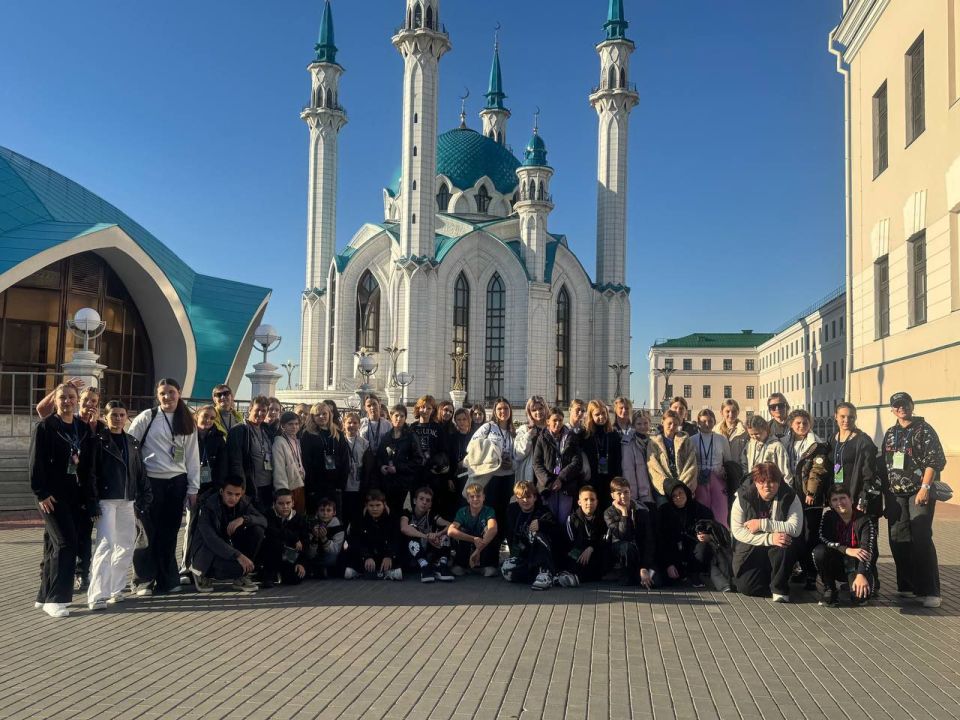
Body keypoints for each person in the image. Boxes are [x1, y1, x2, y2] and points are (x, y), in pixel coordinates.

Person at [128, 378, 200, 596]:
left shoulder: (187, 421)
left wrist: (193, 488)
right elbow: (130, 448)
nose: (167, 397)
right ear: (157, 396)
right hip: (150, 482)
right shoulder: (147, 417)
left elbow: (192, 456)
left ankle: (168, 579)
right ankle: (144, 580)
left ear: (179, 393)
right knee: (147, 532)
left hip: (176, 483)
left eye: (171, 392)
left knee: (169, 533)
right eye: (163, 393)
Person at [30, 383, 96, 617]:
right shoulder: (46, 427)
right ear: (55, 401)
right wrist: (41, 493)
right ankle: (56, 599)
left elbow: (87, 464)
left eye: (71, 397)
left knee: (52, 545)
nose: (67, 401)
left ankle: (44, 594)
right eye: (62, 397)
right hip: (51, 496)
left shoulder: (81, 427)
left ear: (77, 400)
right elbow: (36, 463)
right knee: (66, 543)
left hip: (74, 495)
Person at [882, 392, 947, 608]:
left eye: (905, 404)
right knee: (898, 538)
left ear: (912, 405)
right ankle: (907, 586)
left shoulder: (924, 429)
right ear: (892, 409)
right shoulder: (890, 433)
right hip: (895, 493)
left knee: (920, 536)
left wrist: (925, 487)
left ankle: (929, 590)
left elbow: (934, 460)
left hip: (919, 491)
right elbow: (885, 463)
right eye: (897, 405)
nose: (902, 408)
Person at [86, 401, 152, 610]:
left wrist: (144, 495)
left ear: (127, 418)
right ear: (106, 417)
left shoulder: (132, 442)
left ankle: (116, 589)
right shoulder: (97, 441)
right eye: (114, 414)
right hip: (106, 500)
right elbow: (90, 474)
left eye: (122, 415)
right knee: (105, 545)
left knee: (125, 545)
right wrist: (92, 503)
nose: (118, 418)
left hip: (127, 500)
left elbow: (140, 471)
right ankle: (97, 595)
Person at [730, 463, 802, 602]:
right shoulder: (742, 497)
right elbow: (738, 531)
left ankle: (780, 589)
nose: (767, 486)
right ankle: (771, 579)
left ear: (779, 482)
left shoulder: (791, 496)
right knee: (747, 588)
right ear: (756, 482)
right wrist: (769, 538)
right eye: (762, 482)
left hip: (779, 546)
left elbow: (795, 528)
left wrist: (762, 524)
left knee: (786, 539)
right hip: (752, 548)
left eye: (772, 482)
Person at [189, 477, 264, 593]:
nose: (233, 498)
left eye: (237, 495)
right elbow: (211, 540)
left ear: (242, 494)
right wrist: (238, 556)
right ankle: (201, 573)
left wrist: (244, 519)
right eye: (229, 493)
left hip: (226, 551)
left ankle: (240, 577)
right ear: (221, 491)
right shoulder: (207, 506)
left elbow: (263, 520)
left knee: (257, 530)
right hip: (206, 553)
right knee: (239, 568)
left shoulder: (243, 502)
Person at [180, 404, 226, 582]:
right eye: (205, 416)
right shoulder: (186, 435)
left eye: (211, 418)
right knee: (190, 528)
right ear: (196, 416)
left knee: (207, 529)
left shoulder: (218, 438)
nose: (207, 420)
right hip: (191, 488)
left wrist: (218, 488)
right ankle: (185, 568)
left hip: (210, 490)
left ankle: (202, 567)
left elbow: (222, 466)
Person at [786, 409, 832, 590]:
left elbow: (817, 470)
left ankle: (812, 575)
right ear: (791, 424)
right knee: (796, 533)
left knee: (809, 535)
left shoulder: (817, 445)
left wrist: (811, 493)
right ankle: (801, 570)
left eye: (805, 423)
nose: (801, 426)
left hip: (810, 498)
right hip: (792, 494)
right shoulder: (786, 442)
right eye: (798, 423)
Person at [657, 480, 732, 591]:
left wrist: (708, 537)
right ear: (669, 498)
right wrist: (668, 564)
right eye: (674, 496)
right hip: (673, 554)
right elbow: (661, 540)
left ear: (686, 492)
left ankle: (698, 574)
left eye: (681, 493)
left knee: (704, 548)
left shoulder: (699, 509)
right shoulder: (664, 512)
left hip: (695, 552)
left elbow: (714, 529)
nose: (679, 497)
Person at [814, 485, 877, 607]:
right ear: (831, 504)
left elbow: (867, 549)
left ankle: (861, 580)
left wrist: (861, 575)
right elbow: (823, 538)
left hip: (855, 565)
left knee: (860, 599)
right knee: (819, 552)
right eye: (835, 500)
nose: (839, 502)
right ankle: (830, 588)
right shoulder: (828, 516)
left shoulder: (864, 520)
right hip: (836, 561)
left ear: (851, 499)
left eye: (843, 498)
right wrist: (846, 549)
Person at [500, 481, 567, 590]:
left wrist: (542, 524)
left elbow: (558, 533)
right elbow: (510, 534)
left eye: (528, 497)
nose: (525, 500)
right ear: (516, 498)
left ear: (535, 497)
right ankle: (550, 577)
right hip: (524, 555)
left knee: (537, 534)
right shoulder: (512, 510)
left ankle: (545, 572)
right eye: (521, 497)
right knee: (506, 570)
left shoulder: (543, 510)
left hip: (543, 555)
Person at [470, 397, 516, 530]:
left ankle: (500, 541)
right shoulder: (488, 427)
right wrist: (493, 458)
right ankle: (488, 541)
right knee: (490, 510)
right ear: (495, 411)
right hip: (491, 477)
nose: (503, 411)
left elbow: (517, 454)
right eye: (499, 408)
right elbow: (473, 445)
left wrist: (510, 462)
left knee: (504, 511)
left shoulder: (513, 431)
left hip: (508, 477)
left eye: (506, 408)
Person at [532, 407, 583, 525]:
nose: (558, 423)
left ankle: (564, 543)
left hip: (566, 486)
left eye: (560, 420)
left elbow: (577, 462)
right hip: (548, 488)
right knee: (550, 520)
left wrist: (561, 479)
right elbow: (537, 463)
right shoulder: (542, 438)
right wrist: (549, 482)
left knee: (564, 520)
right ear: (548, 421)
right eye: (554, 420)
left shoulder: (571, 437)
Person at [832, 402, 882, 517]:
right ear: (835, 416)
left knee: (858, 532)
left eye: (851, 417)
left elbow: (869, 472)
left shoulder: (863, 440)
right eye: (842, 416)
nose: (846, 420)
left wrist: (863, 496)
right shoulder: (832, 438)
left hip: (855, 495)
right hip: (838, 496)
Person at [604, 478, 655, 587]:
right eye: (619, 493)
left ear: (630, 492)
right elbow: (623, 536)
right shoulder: (608, 513)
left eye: (626, 492)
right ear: (612, 495)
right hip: (621, 548)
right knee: (627, 547)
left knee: (657, 581)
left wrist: (644, 567)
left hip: (640, 550)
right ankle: (627, 576)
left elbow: (648, 540)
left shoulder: (642, 510)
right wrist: (624, 513)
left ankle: (640, 574)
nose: (623, 496)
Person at [225, 396, 274, 511]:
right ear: (250, 409)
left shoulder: (266, 430)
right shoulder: (238, 430)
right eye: (257, 410)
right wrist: (241, 486)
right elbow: (235, 461)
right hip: (250, 486)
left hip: (268, 485)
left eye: (264, 411)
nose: (260, 413)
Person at [375, 404, 424, 516]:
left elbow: (419, 460)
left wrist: (398, 468)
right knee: (388, 512)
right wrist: (381, 466)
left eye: (402, 416)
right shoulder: (387, 437)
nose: (399, 419)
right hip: (387, 483)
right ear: (390, 417)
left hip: (404, 484)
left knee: (400, 513)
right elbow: (380, 457)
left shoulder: (411, 436)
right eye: (396, 415)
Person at [301, 402, 349, 515]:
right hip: (316, 486)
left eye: (324, 414)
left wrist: (340, 484)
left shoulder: (338, 433)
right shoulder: (307, 435)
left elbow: (345, 460)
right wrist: (310, 487)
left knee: (334, 518)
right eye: (318, 415)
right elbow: (306, 462)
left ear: (329, 415)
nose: (322, 417)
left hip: (334, 485)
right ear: (313, 417)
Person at [343, 490, 402, 580]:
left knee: (399, 570)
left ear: (384, 504)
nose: (375, 509)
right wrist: (366, 556)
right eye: (371, 506)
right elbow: (355, 540)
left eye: (378, 505)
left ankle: (383, 571)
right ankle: (368, 572)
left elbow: (396, 539)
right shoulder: (358, 519)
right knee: (347, 571)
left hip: (385, 553)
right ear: (366, 505)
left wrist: (389, 555)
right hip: (365, 555)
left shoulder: (393, 518)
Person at [400, 487, 454, 583]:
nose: (424, 502)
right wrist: (426, 536)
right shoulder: (407, 513)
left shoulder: (431, 514)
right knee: (412, 528)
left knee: (445, 530)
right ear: (415, 501)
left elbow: (450, 525)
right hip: (412, 555)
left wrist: (437, 534)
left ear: (430, 504)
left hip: (429, 551)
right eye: (421, 499)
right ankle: (424, 566)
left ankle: (442, 565)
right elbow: (404, 528)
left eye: (427, 500)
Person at [410, 395, 454, 513]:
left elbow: (444, 451)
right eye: (422, 407)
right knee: (416, 504)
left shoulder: (437, 428)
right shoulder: (412, 428)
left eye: (429, 408)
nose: (425, 410)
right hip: (417, 473)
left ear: (433, 410)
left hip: (433, 474)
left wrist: (443, 471)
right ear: (418, 408)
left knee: (433, 505)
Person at [259, 489, 310, 588]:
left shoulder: (299, 519)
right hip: (272, 554)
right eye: (281, 503)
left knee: (295, 578)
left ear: (293, 503)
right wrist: (294, 538)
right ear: (274, 504)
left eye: (288, 503)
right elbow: (272, 531)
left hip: (291, 556)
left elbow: (305, 541)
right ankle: (268, 574)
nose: (285, 506)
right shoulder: (268, 515)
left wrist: (302, 563)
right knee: (274, 541)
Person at [447, 483, 499, 576]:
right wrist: (474, 539)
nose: (475, 499)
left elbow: (493, 529)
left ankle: (480, 566)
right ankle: (465, 565)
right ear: (467, 499)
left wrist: (477, 551)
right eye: (472, 496)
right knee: (461, 530)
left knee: (488, 530)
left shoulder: (489, 510)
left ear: (483, 497)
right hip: (469, 545)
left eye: (478, 496)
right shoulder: (462, 511)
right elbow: (450, 531)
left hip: (481, 547)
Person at [692, 409, 731, 527]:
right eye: (703, 421)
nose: (707, 424)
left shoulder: (722, 439)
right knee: (702, 513)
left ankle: (722, 540)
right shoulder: (692, 440)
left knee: (721, 514)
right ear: (698, 422)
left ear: (714, 422)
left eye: (710, 421)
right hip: (699, 480)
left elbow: (728, 461)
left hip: (718, 478)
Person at [647, 410, 698, 500]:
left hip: (684, 487)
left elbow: (691, 465)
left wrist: (681, 486)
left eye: (675, 424)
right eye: (669, 423)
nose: (672, 427)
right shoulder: (654, 443)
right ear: (662, 422)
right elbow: (654, 468)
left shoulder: (686, 441)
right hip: (664, 490)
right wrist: (668, 486)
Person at [582, 400, 623, 509]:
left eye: (603, 413)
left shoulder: (613, 434)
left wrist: (618, 480)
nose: (601, 417)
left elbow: (618, 459)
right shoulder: (585, 435)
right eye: (597, 414)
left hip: (610, 481)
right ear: (591, 416)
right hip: (591, 481)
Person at [563, 486, 608, 583]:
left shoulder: (603, 518)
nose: (589, 503)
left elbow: (605, 539)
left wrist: (591, 548)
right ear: (579, 502)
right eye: (585, 500)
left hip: (595, 553)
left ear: (597, 502)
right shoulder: (572, 519)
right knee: (572, 556)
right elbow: (570, 542)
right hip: (579, 554)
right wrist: (585, 548)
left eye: (592, 500)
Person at [342, 412, 373, 531]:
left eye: (355, 423)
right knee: (343, 517)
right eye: (349, 422)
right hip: (344, 485)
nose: (352, 425)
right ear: (344, 424)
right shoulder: (339, 441)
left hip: (358, 486)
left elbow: (368, 466)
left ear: (359, 425)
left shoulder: (364, 443)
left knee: (357, 518)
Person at [272, 411, 306, 513]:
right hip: (288, 489)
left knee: (299, 516)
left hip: (300, 484)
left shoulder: (297, 441)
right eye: (290, 424)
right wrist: (283, 493)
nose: (294, 427)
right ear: (283, 426)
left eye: (296, 424)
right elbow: (279, 470)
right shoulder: (279, 442)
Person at [716, 399, 748, 501]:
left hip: (738, 474)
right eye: (727, 411)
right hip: (721, 473)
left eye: (734, 411)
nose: (731, 414)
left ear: (738, 412)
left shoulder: (744, 431)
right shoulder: (715, 431)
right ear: (721, 413)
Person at [744, 414, 791, 482]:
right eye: (751, 434)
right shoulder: (750, 445)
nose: (754, 437)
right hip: (756, 484)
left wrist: (788, 489)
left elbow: (785, 472)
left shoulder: (776, 446)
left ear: (765, 429)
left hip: (771, 485)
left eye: (757, 433)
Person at [514, 396, 548, 487]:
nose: (538, 412)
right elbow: (518, 455)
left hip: (549, 474)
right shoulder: (524, 429)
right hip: (531, 476)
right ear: (529, 412)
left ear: (545, 408)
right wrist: (528, 435)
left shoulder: (551, 427)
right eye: (534, 410)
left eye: (541, 408)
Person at [307, 497, 345, 578]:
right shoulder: (311, 525)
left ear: (334, 512)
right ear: (317, 512)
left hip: (329, 557)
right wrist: (315, 538)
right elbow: (310, 553)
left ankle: (319, 571)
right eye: (322, 510)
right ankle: (319, 571)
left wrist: (324, 539)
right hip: (316, 556)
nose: (325, 513)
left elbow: (336, 551)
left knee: (332, 559)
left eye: (328, 510)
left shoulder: (338, 527)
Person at [621, 411, 653, 507]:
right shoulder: (629, 444)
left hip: (655, 491)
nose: (643, 426)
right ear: (634, 425)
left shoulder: (653, 442)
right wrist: (632, 497)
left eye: (645, 423)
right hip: (640, 494)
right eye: (639, 424)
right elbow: (628, 471)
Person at [447, 408, 475, 502]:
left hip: (472, 475)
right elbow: (449, 459)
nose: (462, 422)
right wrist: (449, 478)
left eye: (464, 419)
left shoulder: (475, 436)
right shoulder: (452, 437)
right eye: (459, 420)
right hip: (457, 476)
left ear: (469, 419)